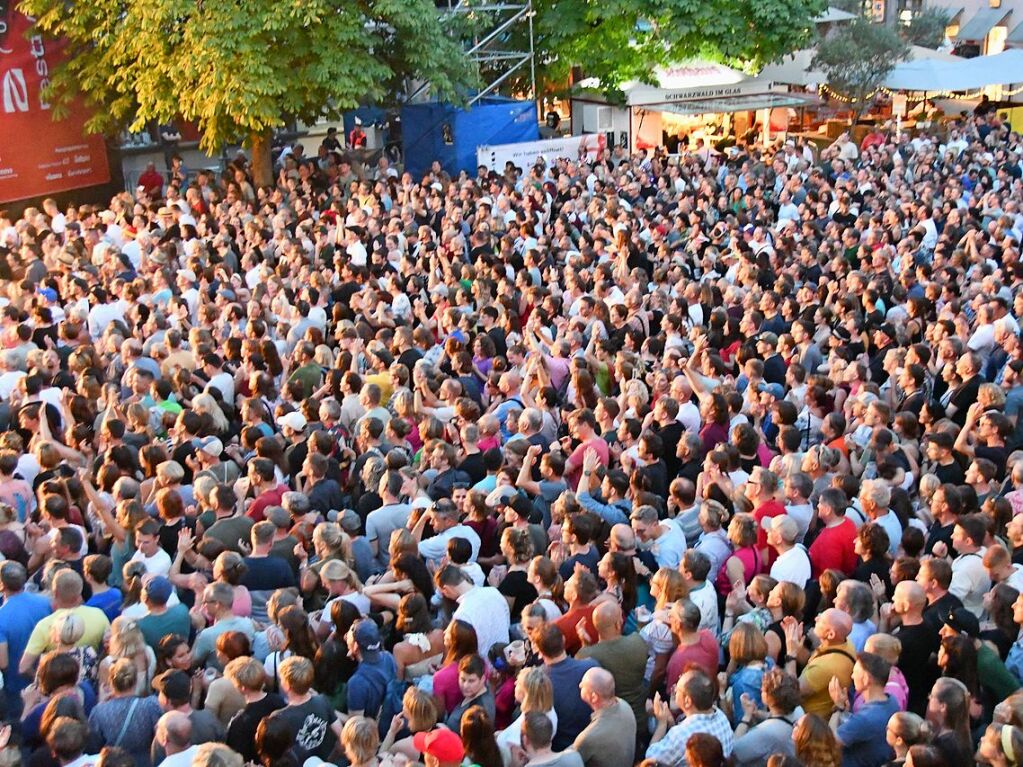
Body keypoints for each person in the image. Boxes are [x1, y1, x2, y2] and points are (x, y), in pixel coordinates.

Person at [646, 669, 733, 767]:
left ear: (688, 701)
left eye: (677, 689)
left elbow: (650, 758)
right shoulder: (721, 717)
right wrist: (671, 719)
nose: (673, 690)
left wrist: (662, 723)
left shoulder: (680, 735)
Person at [829, 651, 901, 767]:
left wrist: (838, 706)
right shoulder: (892, 701)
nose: (852, 676)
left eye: (855, 672)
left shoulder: (865, 719)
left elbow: (829, 743)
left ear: (867, 679)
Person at [572, 667, 636, 767]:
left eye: (583, 685)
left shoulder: (588, 738)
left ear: (594, 697)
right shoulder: (625, 706)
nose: (580, 685)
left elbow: (571, 762)